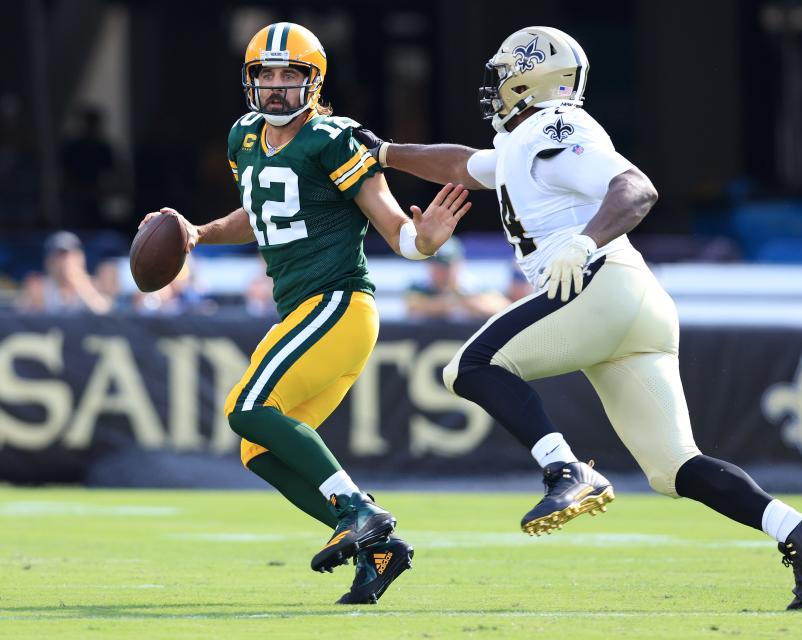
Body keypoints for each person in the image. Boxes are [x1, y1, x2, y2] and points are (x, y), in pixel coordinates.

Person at [359, 26, 802, 611]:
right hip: (632, 305)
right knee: (676, 469)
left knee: (471, 366)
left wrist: (584, 242)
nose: (491, 88)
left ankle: (565, 470)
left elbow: (635, 188)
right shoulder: (525, 143)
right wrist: (384, 153)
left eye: (501, 76)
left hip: (599, 282)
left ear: (530, 79)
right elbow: (467, 166)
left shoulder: (552, 126)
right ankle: (800, 532)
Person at [138, 22, 471, 605]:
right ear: (250, 81)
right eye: (265, 75)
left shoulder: (334, 139)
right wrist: (197, 232)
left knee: (246, 407)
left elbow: (394, 227)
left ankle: (358, 510)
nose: (275, 87)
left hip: (340, 303)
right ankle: (378, 550)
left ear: (312, 82)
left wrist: (425, 241)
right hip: (300, 311)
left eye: (289, 75)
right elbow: (257, 212)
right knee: (258, 448)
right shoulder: (244, 137)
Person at [405, 236, 510, 320]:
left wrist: (472, 304)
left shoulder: (472, 285)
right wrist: (448, 303)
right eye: (436, 265)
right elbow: (413, 308)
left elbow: (503, 308)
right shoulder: (419, 286)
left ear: (459, 264)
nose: (441, 271)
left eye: (446, 266)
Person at [15, 231, 112, 314]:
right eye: (59, 256)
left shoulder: (95, 285)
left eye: (69, 256)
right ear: (48, 261)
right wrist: (31, 299)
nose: (65, 262)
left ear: (80, 258)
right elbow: (18, 315)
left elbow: (105, 314)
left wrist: (81, 284)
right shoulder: (39, 287)